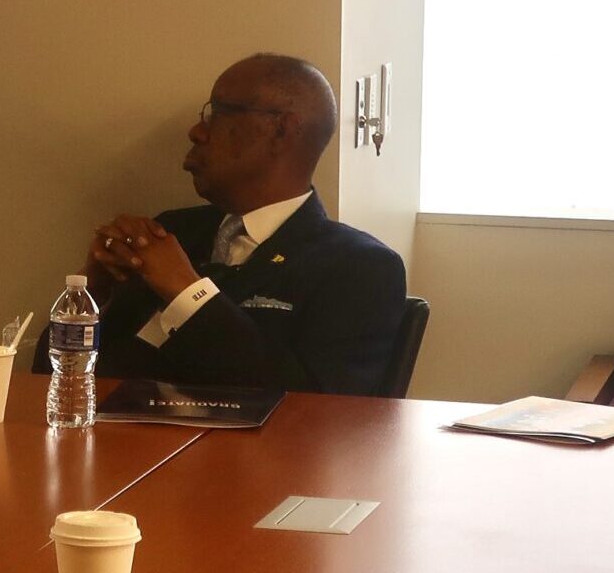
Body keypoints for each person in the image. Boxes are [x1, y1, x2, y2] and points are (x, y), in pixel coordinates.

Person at [75, 54, 407, 395]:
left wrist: (188, 292)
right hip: (117, 442)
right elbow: (50, 377)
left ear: (282, 129)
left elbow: (315, 409)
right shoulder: (170, 233)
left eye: (217, 113)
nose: (196, 131)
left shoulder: (359, 268)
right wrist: (92, 296)